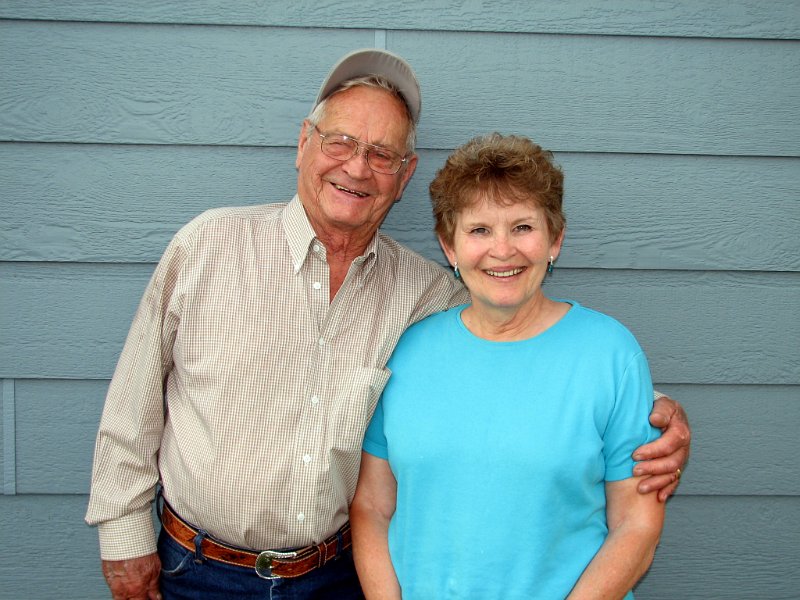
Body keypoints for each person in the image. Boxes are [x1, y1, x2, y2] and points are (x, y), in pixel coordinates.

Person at [85, 49, 689, 600]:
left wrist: (651, 412)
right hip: (195, 572)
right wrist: (123, 538)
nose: (358, 167)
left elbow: (520, 337)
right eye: (340, 142)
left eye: (382, 155)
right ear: (304, 143)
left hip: (336, 578)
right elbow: (133, 403)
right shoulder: (208, 247)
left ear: (403, 175)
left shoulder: (423, 293)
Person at [351, 133, 670, 599]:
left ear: (554, 240)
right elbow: (373, 507)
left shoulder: (611, 355)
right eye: (479, 230)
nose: (503, 250)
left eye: (522, 227)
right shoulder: (406, 350)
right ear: (450, 248)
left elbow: (636, 526)